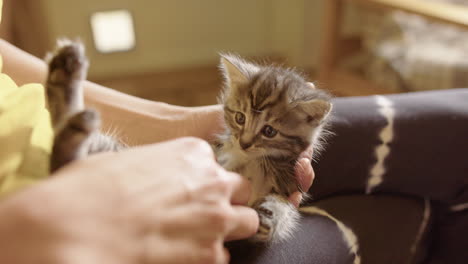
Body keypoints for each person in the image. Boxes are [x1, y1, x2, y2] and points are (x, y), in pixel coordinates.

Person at [0, 2, 315, 263]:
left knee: (360, 125)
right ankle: (73, 149)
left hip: (37, 134)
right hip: (38, 211)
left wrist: (176, 122)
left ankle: (71, 135)